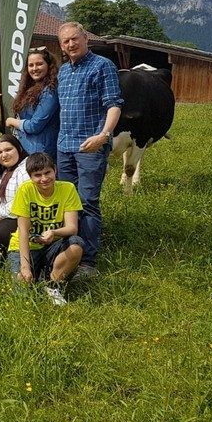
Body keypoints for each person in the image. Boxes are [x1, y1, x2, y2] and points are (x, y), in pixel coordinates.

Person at [56, 22, 123, 274]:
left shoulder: (103, 66)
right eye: (66, 41)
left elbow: (114, 104)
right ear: (61, 46)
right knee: (67, 202)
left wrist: (103, 136)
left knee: (87, 202)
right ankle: (69, 250)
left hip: (90, 146)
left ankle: (88, 261)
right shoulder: (63, 71)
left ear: (86, 39)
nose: (71, 44)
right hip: (64, 145)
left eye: (75, 39)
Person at [8, 152, 85, 306]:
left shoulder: (68, 188)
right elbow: (23, 231)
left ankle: (52, 284)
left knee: (76, 244)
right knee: (22, 296)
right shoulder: (25, 190)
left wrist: (54, 232)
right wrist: (25, 267)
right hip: (26, 246)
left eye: (47, 172)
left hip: (53, 245)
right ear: (30, 177)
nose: (44, 178)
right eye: (37, 175)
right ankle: (38, 275)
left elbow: (72, 228)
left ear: (55, 170)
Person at [5, 47, 60, 161]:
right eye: (31, 65)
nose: (34, 68)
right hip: (27, 150)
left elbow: (34, 126)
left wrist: (12, 121)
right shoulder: (30, 87)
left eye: (39, 64)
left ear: (49, 66)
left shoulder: (50, 91)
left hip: (41, 154)